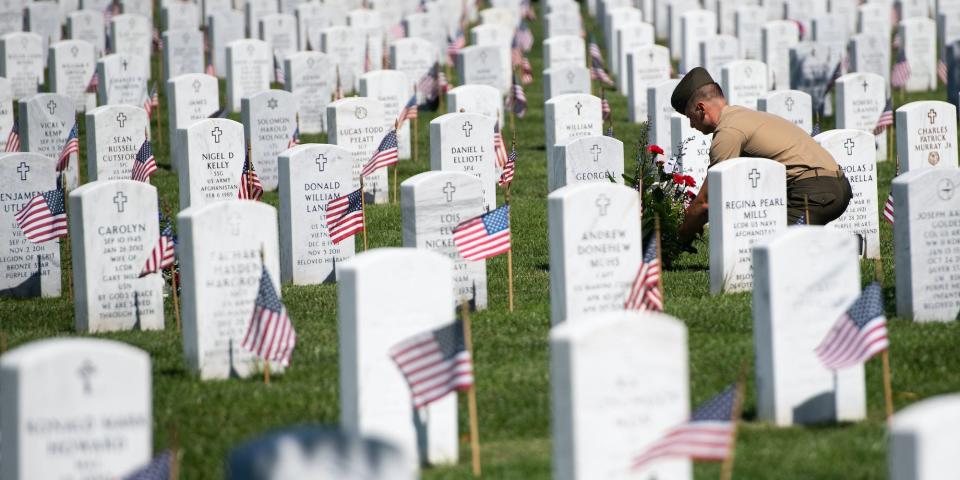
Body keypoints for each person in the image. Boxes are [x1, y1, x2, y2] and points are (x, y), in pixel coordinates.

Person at [670, 67, 853, 247]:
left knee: (764, 252)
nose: (692, 125)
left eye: (690, 117)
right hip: (836, 186)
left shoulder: (728, 132)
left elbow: (706, 202)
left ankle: (846, 249)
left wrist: (678, 238)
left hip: (814, 193)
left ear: (701, 108)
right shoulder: (742, 116)